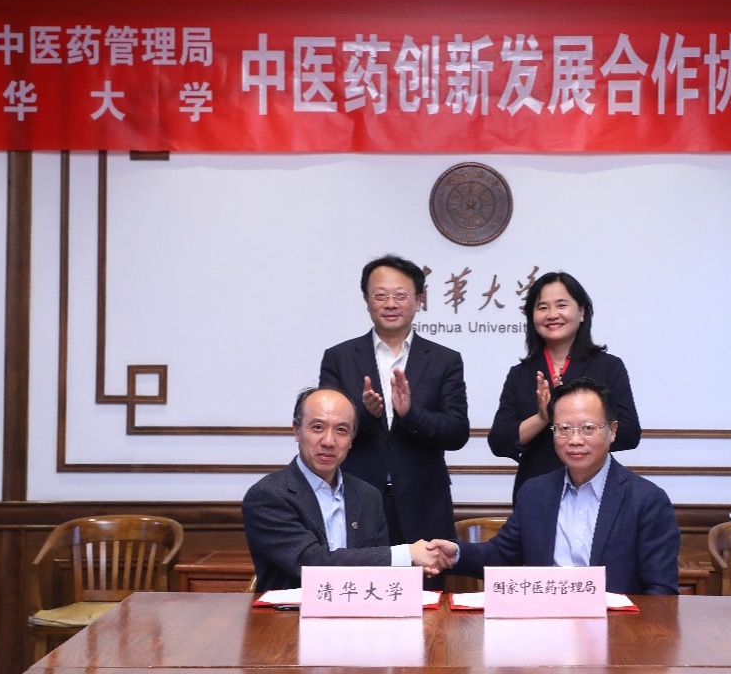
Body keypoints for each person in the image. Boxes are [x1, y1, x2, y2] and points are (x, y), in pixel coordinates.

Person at [434, 378, 678, 595]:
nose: (575, 440)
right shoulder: (535, 492)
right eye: (563, 429)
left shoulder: (646, 500)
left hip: (616, 627)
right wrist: (455, 554)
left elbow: (661, 591)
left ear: (612, 431)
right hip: (545, 623)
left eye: (588, 428)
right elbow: (502, 555)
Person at [318, 254, 470, 548]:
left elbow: (457, 432)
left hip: (424, 504)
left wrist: (411, 414)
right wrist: (364, 415)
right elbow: (327, 432)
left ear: (419, 300)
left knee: (427, 579)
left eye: (400, 296)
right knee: (359, 577)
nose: (390, 304)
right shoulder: (339, 358)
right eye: (380, 295)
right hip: (356, 500)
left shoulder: (445, 360)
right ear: (366, 300)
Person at [241, 386, 451, 593]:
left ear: (352, 439)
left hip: (360, 610)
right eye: (318, 427)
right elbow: (310, 563)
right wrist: (407, 555)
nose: (329, 441)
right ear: (297, 430)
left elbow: (379, 569)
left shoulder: (368, 495)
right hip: (288, 613)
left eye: (341, 430)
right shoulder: (268, 495)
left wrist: (417, 565)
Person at [488, 271, 642, 502]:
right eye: (542, 307)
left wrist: (583, 428)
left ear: (581, 312)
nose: (552, 315)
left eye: (561, 305)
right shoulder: (520, 374)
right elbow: (499, 442)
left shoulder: (608, 367)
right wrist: (543, 417)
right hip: (536, 491)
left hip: (596, 489)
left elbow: (629, 433)